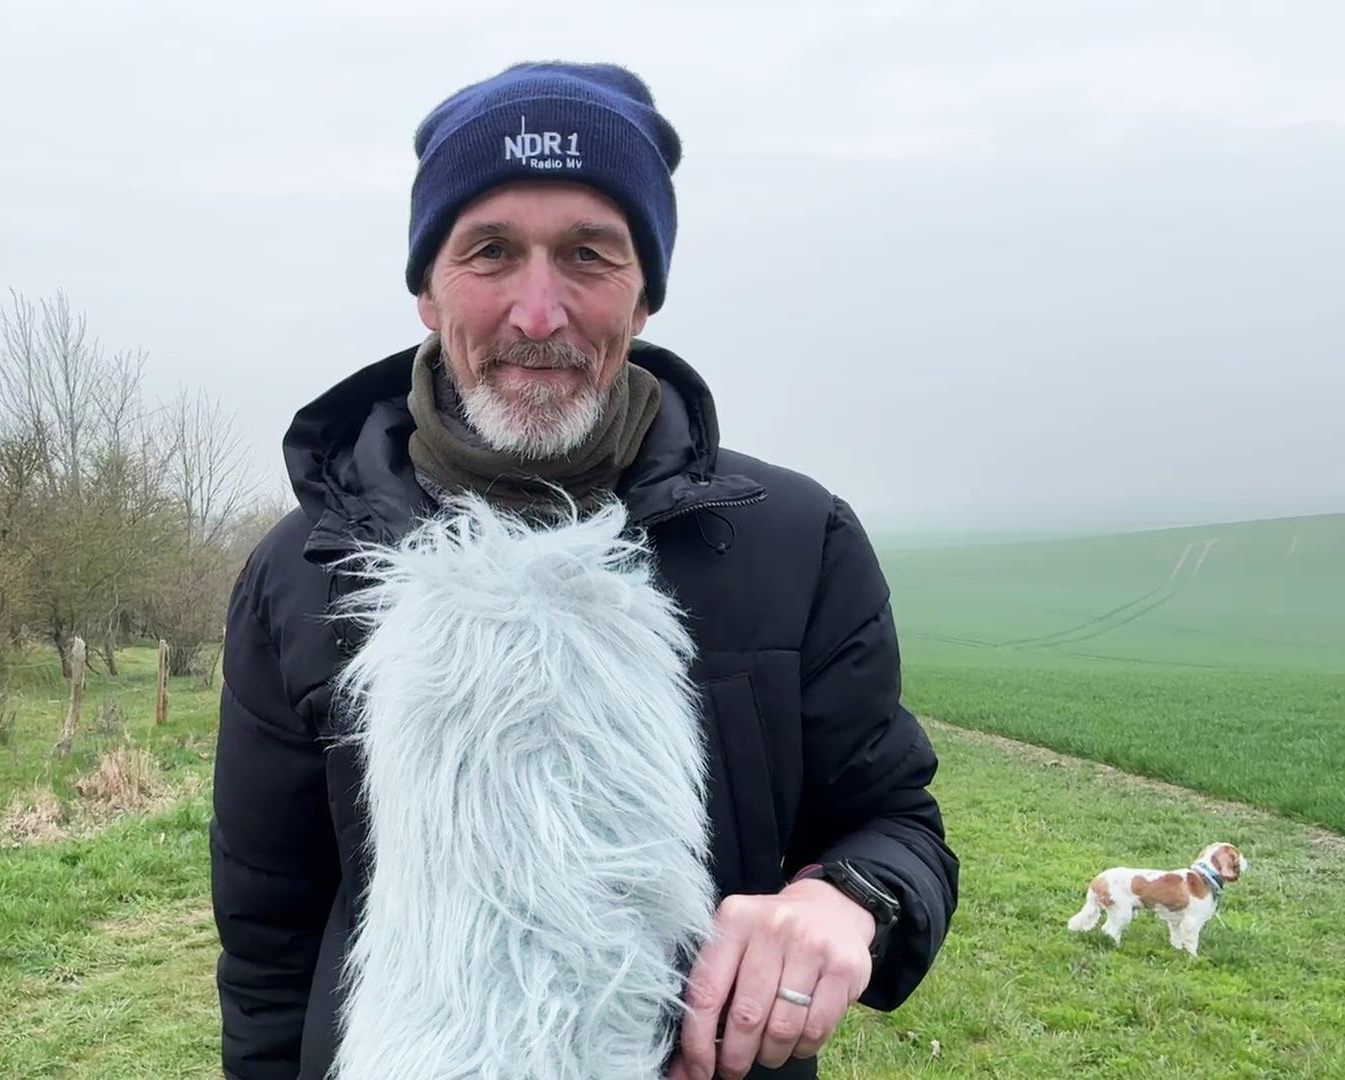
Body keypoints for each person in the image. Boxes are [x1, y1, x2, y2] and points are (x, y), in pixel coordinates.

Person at [210, 61, 959, 1080]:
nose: (538, 312)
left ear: (643, 293)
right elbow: (268, 945)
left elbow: (896, 823)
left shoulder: (795, 540)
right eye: (490, 252)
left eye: (589, 256)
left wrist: (847, 897)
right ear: (427, 293)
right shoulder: (301, 575)